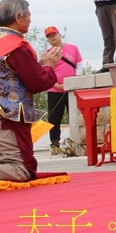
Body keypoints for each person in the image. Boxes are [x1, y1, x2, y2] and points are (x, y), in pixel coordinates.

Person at [0, 0, 61, 181]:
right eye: (28, 15)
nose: (30, 20)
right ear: (18, 17)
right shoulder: (14, 46)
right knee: (20, 169)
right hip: (8, 116)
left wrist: (38, 65)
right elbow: (37, 83)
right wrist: (49, 66)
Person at [42, 26, 83, 155]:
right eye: (49, 36)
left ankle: (77, 141)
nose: (52, 37)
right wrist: (57, 85)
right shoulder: (46, 54)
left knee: (75, 117)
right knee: (54, 118)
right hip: (54, 89)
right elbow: (45, 71)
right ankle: (55, 144)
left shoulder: (72, 48)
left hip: (71, 89)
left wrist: (75, 80)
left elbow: (79, 64)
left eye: (54, 34)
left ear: (59, 35)